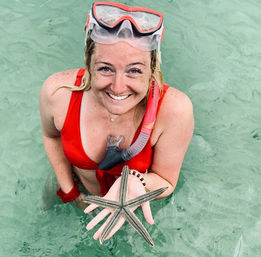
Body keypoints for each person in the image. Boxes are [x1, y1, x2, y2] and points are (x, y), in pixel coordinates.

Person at [39, 1, 194, 241]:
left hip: (134, 207)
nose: (118, 87)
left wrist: (137, 181)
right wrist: (70, 193)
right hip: (76, 191)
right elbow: (51, 136)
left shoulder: (175, 110)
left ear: (152, 68)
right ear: (88, 63)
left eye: (134, 70)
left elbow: (166, 181)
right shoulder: (58, 93)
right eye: (105, 69)